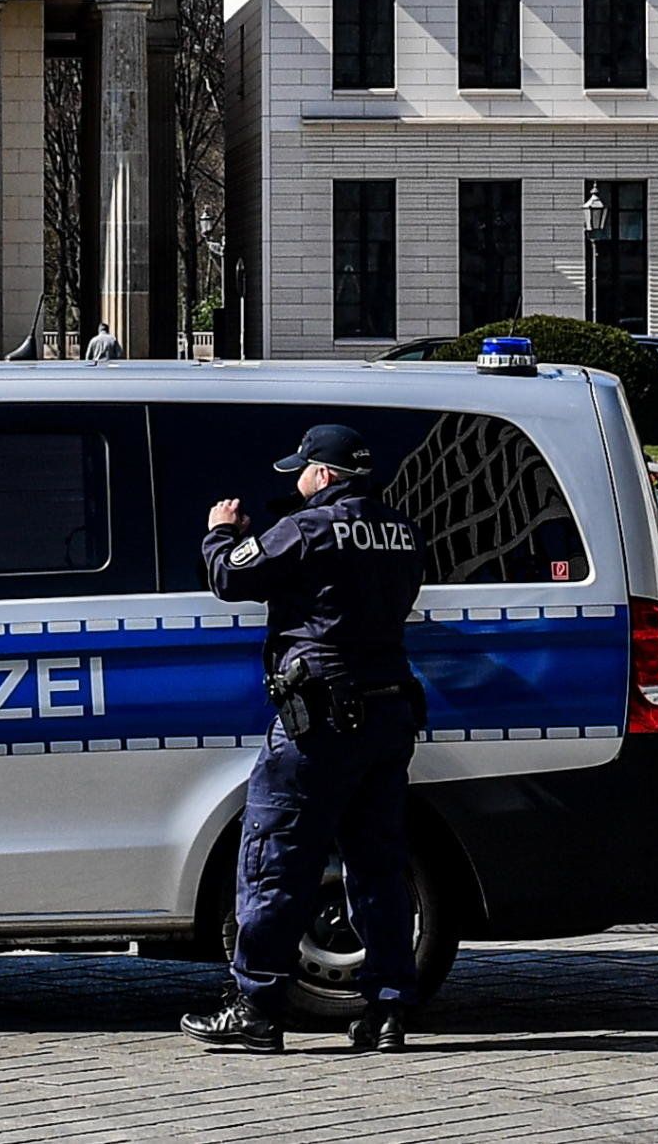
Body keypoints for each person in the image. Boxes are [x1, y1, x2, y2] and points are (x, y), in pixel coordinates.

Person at [182, 423, 426, 1055]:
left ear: (323, 474)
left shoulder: (308, 528)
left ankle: (257, 1008)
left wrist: (220, 532)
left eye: (302, 471)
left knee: (276, 858)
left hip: (321, 719)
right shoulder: (401, 530)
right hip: (389, 711)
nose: (297, 481)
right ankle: (388, 1010)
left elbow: (230, 578)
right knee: (378, 866)